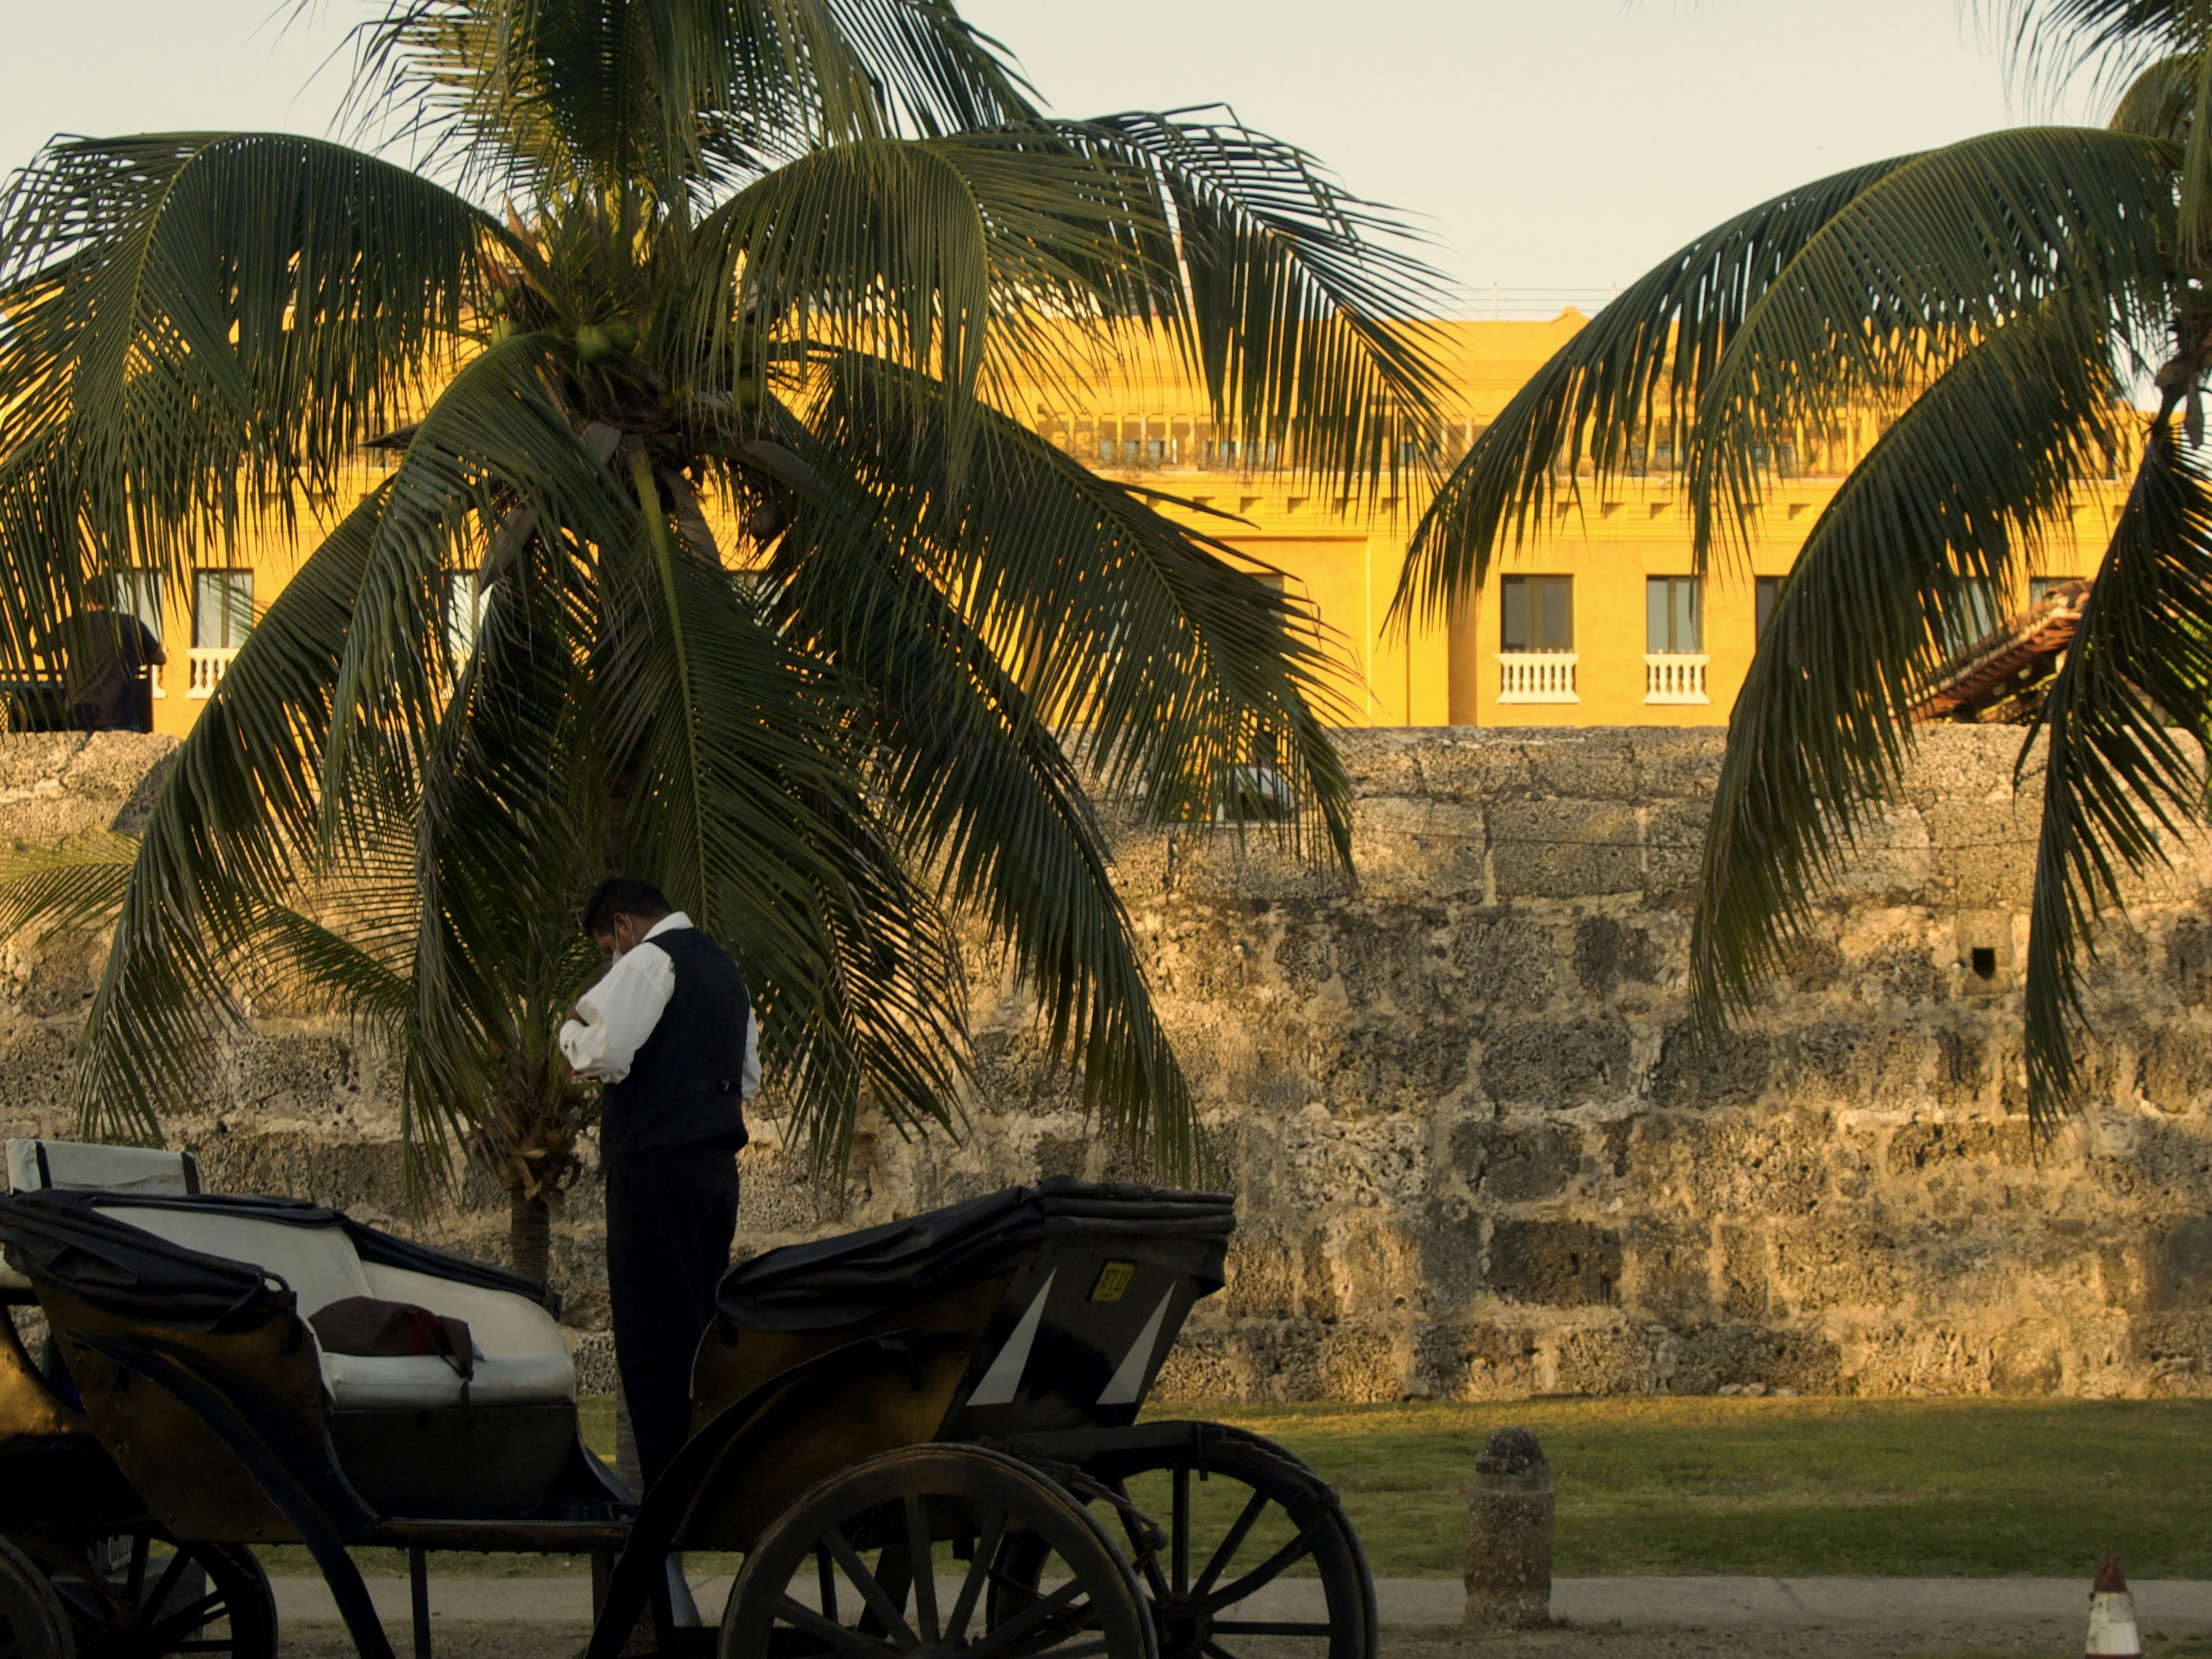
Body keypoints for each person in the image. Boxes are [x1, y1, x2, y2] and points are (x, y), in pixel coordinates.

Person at [558, 877, 758, 1491]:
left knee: (652, 1337)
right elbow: (746, 1076)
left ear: (622, 927)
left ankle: (669, 1489)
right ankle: (704, 1473)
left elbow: (600, 1051)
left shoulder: (649, 960)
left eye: (605, 947)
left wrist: (571, 1025)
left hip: (654, 1168)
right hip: (715, 1171)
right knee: (699, 1326)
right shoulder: (727, 972)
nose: (609, 959)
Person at [47, 591, 166, 732]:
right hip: (122, 720)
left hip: (80, 720)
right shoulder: (131, 623)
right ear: (113, 601)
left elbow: (39, 649)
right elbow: (160, 658)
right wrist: (133, 659)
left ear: (85, 601)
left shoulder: (72, 623)